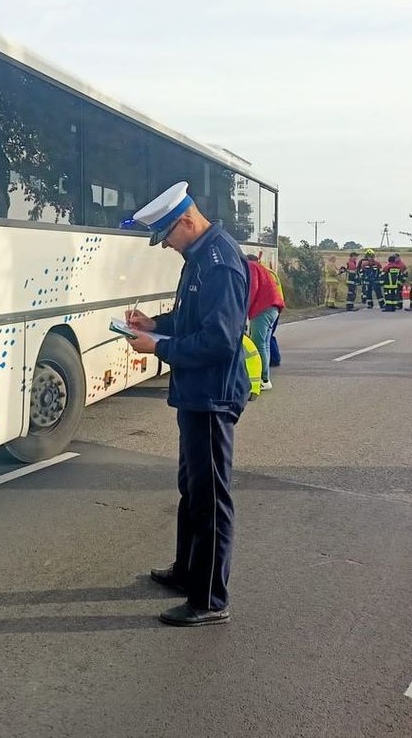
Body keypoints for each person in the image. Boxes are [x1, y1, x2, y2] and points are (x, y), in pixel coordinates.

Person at [121, 181, 249, 627]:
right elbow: (191, 317)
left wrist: (157, 348)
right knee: (191, 488)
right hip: (196, 393)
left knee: (210, 497)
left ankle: (210, 599)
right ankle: (186, 570)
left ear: (187, 220)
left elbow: (219, 339)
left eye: (167, 237)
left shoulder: (220, 263)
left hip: (212, 395)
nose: (167, 247)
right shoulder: (199, 256)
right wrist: (157, 324)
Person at [245, 254, 284, 390]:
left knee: (258, 344)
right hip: (273, 308)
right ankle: (265, 378)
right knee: (265, 344)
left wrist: (244, 309)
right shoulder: (262, 268)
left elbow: (252, 288)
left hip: (263, 309)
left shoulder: (251, 266)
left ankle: (263, 379)